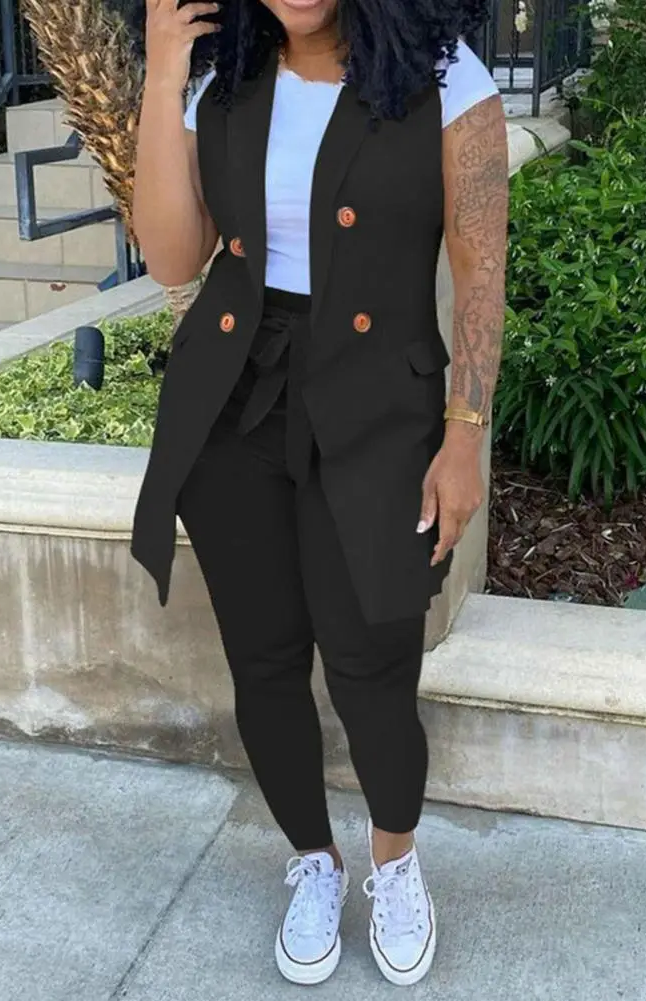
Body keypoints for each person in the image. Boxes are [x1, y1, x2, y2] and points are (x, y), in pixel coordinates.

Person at [129, 0, 507, 986]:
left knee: (370, 657)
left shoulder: (444, 76)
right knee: (262, 660)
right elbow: (172, 259)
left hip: (378, 406)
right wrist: (163, 72)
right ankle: (312, 859)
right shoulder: (225, 77)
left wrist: (464, 435)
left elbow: (479, 269)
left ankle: (394, 860)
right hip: (235, 403)